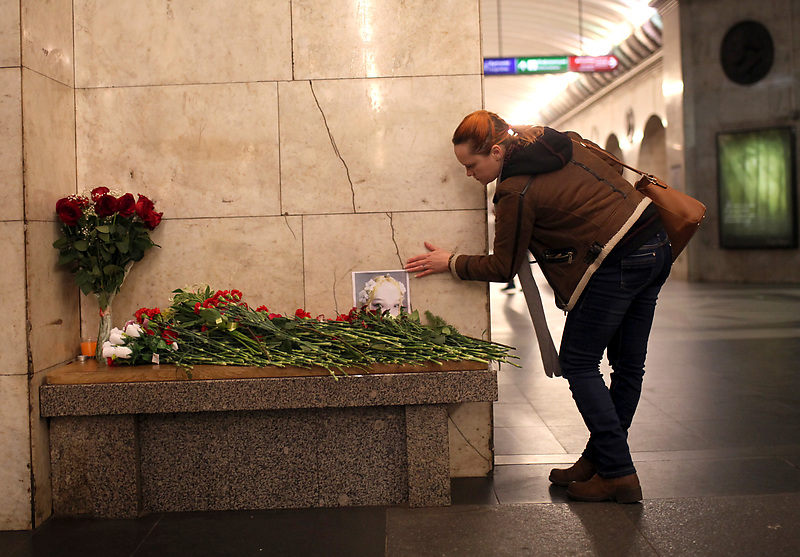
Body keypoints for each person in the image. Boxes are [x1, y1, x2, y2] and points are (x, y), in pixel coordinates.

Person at [405, 110, 671, 503]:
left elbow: (503, 266)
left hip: (617, 261)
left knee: (579, 363)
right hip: (655, 242)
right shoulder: (559, 141)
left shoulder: (514, 190)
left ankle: (617, 472)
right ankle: (601, 459)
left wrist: (452, 262)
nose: (468, 174)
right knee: (628, 365)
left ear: (497, 150)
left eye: (471, 165)